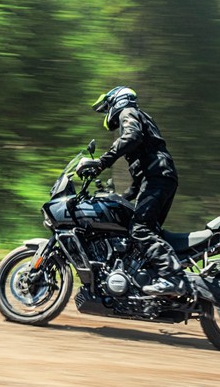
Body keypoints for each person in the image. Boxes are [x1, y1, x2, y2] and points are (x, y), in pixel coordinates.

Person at [76, 86, 186, 297]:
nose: (107, 111)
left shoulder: (129, 112)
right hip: (160, 177)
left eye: (108, 105)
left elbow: (131, 137)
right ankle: (153, 282)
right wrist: (120, 197)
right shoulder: (141, 122)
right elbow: (138, 182)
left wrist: (101, 162)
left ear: (117, 100)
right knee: (147, 232)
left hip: (158, 178)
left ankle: (172, 277)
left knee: (140, 230)